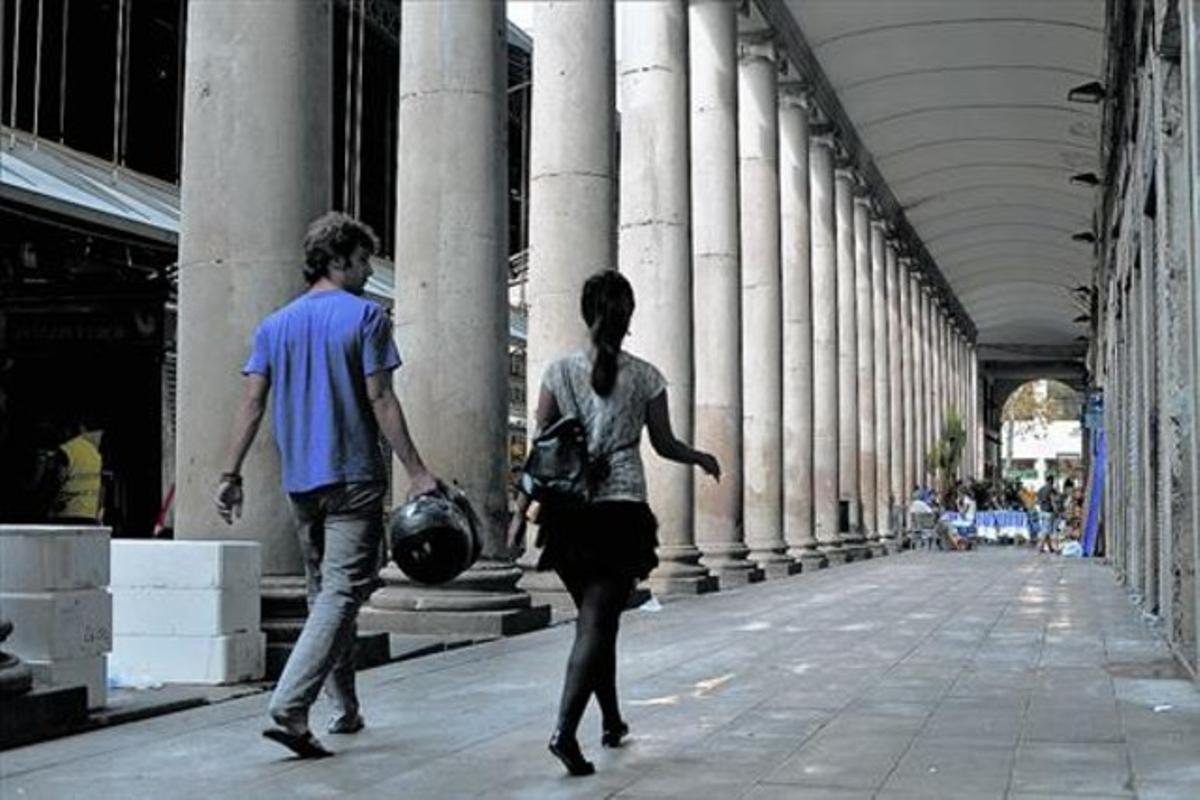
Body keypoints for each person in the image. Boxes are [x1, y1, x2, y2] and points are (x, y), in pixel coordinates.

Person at [215, 212, 440, 759]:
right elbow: (380, 398)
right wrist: (416, 471)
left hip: (302, 483)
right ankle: (290, 706)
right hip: (353, 477)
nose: (369, 271)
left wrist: (230, 473)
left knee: (326, 596)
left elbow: (251, 403)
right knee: (341, 594)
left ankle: (346, 709)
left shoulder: (274, 326)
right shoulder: (367, 317)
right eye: (363, 260)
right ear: (337, 260)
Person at [507, 270, 720, 777]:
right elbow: (664, 444)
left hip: (568, 516)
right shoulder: (647, 377)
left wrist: (519, 513)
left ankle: (611, 720)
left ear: (587, 314)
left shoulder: (558, 372)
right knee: (597, 624)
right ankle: (564, 732)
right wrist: (698, 456)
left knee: (597, 623)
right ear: (628, 318)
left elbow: (542, 449)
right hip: (620, 512)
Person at [1036, 474, 1057, 553]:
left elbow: (1038, 501)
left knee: (1046, 529)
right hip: (1049, 511)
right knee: (1046, 530)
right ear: (1051, 480)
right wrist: (1056, 510)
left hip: (1042, 511)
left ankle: (1050, 547)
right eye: (1053, 480)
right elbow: (1053, 500)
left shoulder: (1040, 489)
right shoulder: (1051, 489)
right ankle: (1040, 546)